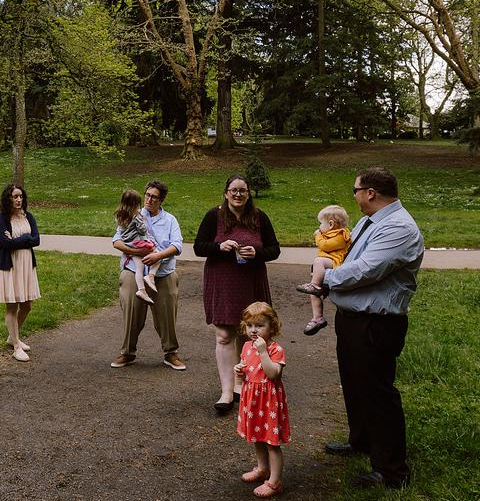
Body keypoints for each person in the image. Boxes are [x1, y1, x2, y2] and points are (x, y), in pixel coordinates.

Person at [315, 166, 425, 490]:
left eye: (355, 190)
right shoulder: (367, 222)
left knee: (377, 392)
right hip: (352, 318)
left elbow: (365, 270)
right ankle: (361, 441)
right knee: (354, 383)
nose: (355, 196)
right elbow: (347, 260)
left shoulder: (399, 228)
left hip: (377, 322)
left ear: (370, 193)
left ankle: (392, 471)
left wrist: (324, 279)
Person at [194, 174, 280, 415]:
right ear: (226, 193)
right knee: (223, 335)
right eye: (234, 190)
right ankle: (225, 391)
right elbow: (199, 247)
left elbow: (275, 249)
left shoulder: (259, 217)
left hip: (251, 282)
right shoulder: (214, 216)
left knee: (249, 333)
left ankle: (242, 386)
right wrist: (219, 247)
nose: (238, 194)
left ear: (248, 193)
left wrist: (258, 252)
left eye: (243, 190)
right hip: (222, 282)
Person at [110, 180, 186, 372]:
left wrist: (158, 256)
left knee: (167, 311)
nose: (149, 199)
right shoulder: (132, 214)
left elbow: (177, 246)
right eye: (147, 195)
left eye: (154, 197)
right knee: (131, 307)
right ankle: (127, 351)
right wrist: (136, 253)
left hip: (163, 271)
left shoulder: (170, 220)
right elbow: (116, 241)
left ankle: (171, 352)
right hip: (133, 270)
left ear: (161, 200)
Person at [234, 302, 289, 499]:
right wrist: (239, 370)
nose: (253, 330)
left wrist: (263, 352)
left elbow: (273, 373)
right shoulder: (247, 346)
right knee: (257, 437)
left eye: (259, 326)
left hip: (269, 402)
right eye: (250, 326)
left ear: (271, 327)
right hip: (253, 399)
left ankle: (275, 482)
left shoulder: (275, 349)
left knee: (271, 442)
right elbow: (247, 369)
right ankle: (262, 469)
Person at [0, 183, 41, 361]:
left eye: (20, 196)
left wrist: (21, 239)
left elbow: (36, 240)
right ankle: (16, 346)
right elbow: (6, 243)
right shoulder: (0, 219)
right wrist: (26, 239)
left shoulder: (29, 216)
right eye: (15, 197)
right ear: (8, 199)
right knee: (12, 305)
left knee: (27, 305)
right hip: (10, 265)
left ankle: (13, 337)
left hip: (27, 264)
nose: (19, 200)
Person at [297, 204, 351, 334]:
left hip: (335, 263)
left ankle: (314, 285)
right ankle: (317, 318)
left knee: (318, 261)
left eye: (321, 223)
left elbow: (325, 246)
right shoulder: (332, 233)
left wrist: (318, 235)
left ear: (331, 224)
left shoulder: (340, 235)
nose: (319, 227)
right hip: (328, 263)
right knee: (314, 294)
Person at [113, 189, 158, 304]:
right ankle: (151, 276)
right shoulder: (135, 217)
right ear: (134, 205)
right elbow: (143, 231)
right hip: (138, 243)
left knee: (140, 267)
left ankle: (141, 290)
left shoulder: (119, 215)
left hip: (129, 244)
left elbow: (120, 231)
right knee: (158, 256)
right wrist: (141, 220)